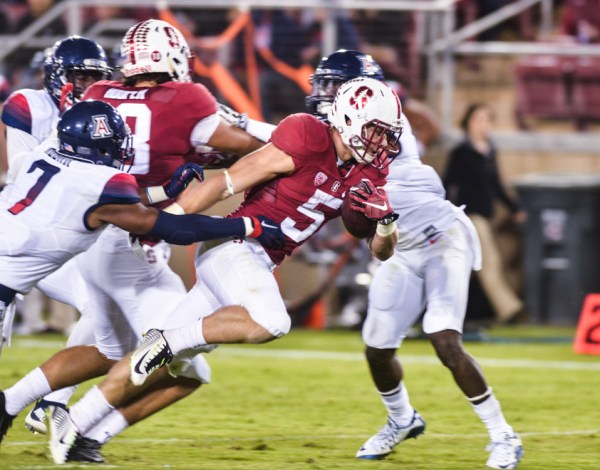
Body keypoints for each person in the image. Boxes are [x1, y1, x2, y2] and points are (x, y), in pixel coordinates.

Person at [35, 76, 403, 465]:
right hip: (236, 245)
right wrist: (167, 221)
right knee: (271, 322)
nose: (382, 144)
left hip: (257, 262)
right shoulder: (308, 137)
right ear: (348, 118)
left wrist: (386, 224)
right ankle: (167, 339)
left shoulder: (370, 172)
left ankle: (79, 429)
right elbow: (227, 182)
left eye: (387, 135)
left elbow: (381, 252)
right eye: (376, 132)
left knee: (185, 373)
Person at [5, 18, 273, 456]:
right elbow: (246, 146)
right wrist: (251, 130)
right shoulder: (186, 98)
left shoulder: (97, 96)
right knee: (187, 364)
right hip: (134, 243)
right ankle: (80, 431)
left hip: (94, 238)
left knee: (110, 350)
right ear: (170, 59)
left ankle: (13, 403)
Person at [354, 103, 523, 469]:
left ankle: (503, 434)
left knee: (444, 338)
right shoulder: (333, 149)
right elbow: (379, 248)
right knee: (376, 348)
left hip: (441, 237)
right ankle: (402, 419)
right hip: (401, 249)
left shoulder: (389, 129)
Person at [1, 36, 112, 338]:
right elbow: (20, 170)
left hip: (75, 231)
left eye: (94, 77)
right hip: (25, 229)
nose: (86, 85)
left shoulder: (105, 113)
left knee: (101, 312)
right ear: (55, 74)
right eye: (79, 75)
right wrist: (64, 125)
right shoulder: (28, 104)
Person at [443, 103, 527, 325]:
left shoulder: (489, 150)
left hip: (488, 214)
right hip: (470, 215)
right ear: (469, 123)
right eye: (479, 119)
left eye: (487, 120)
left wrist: (515, 208)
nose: (484, 125)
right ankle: (508, 308)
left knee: (478, 263)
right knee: (490, 260)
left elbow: (496, 185)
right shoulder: (461, 153)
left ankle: (466, 310)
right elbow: (448, 183)